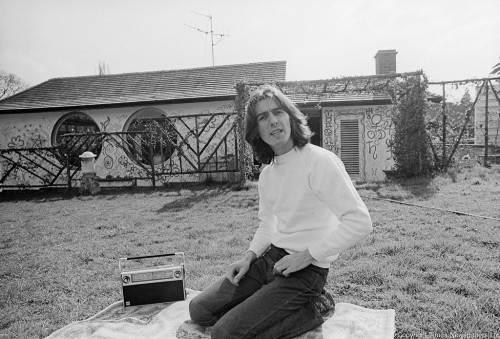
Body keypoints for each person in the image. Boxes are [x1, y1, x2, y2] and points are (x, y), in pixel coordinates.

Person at [189, 85, 373, 338]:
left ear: (290, 116)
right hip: (271, 260)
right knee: (198, 309)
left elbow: (360, 222)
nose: (273, 121)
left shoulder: (319, 161)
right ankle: (267, 301)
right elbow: (268, 224)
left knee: (224, 333)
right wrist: (249, 257)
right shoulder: (268, 174)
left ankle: (313, 308)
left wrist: (308, 255)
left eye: (278, 112)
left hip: (306, 271)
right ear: (256, 130)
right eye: (263, 117)